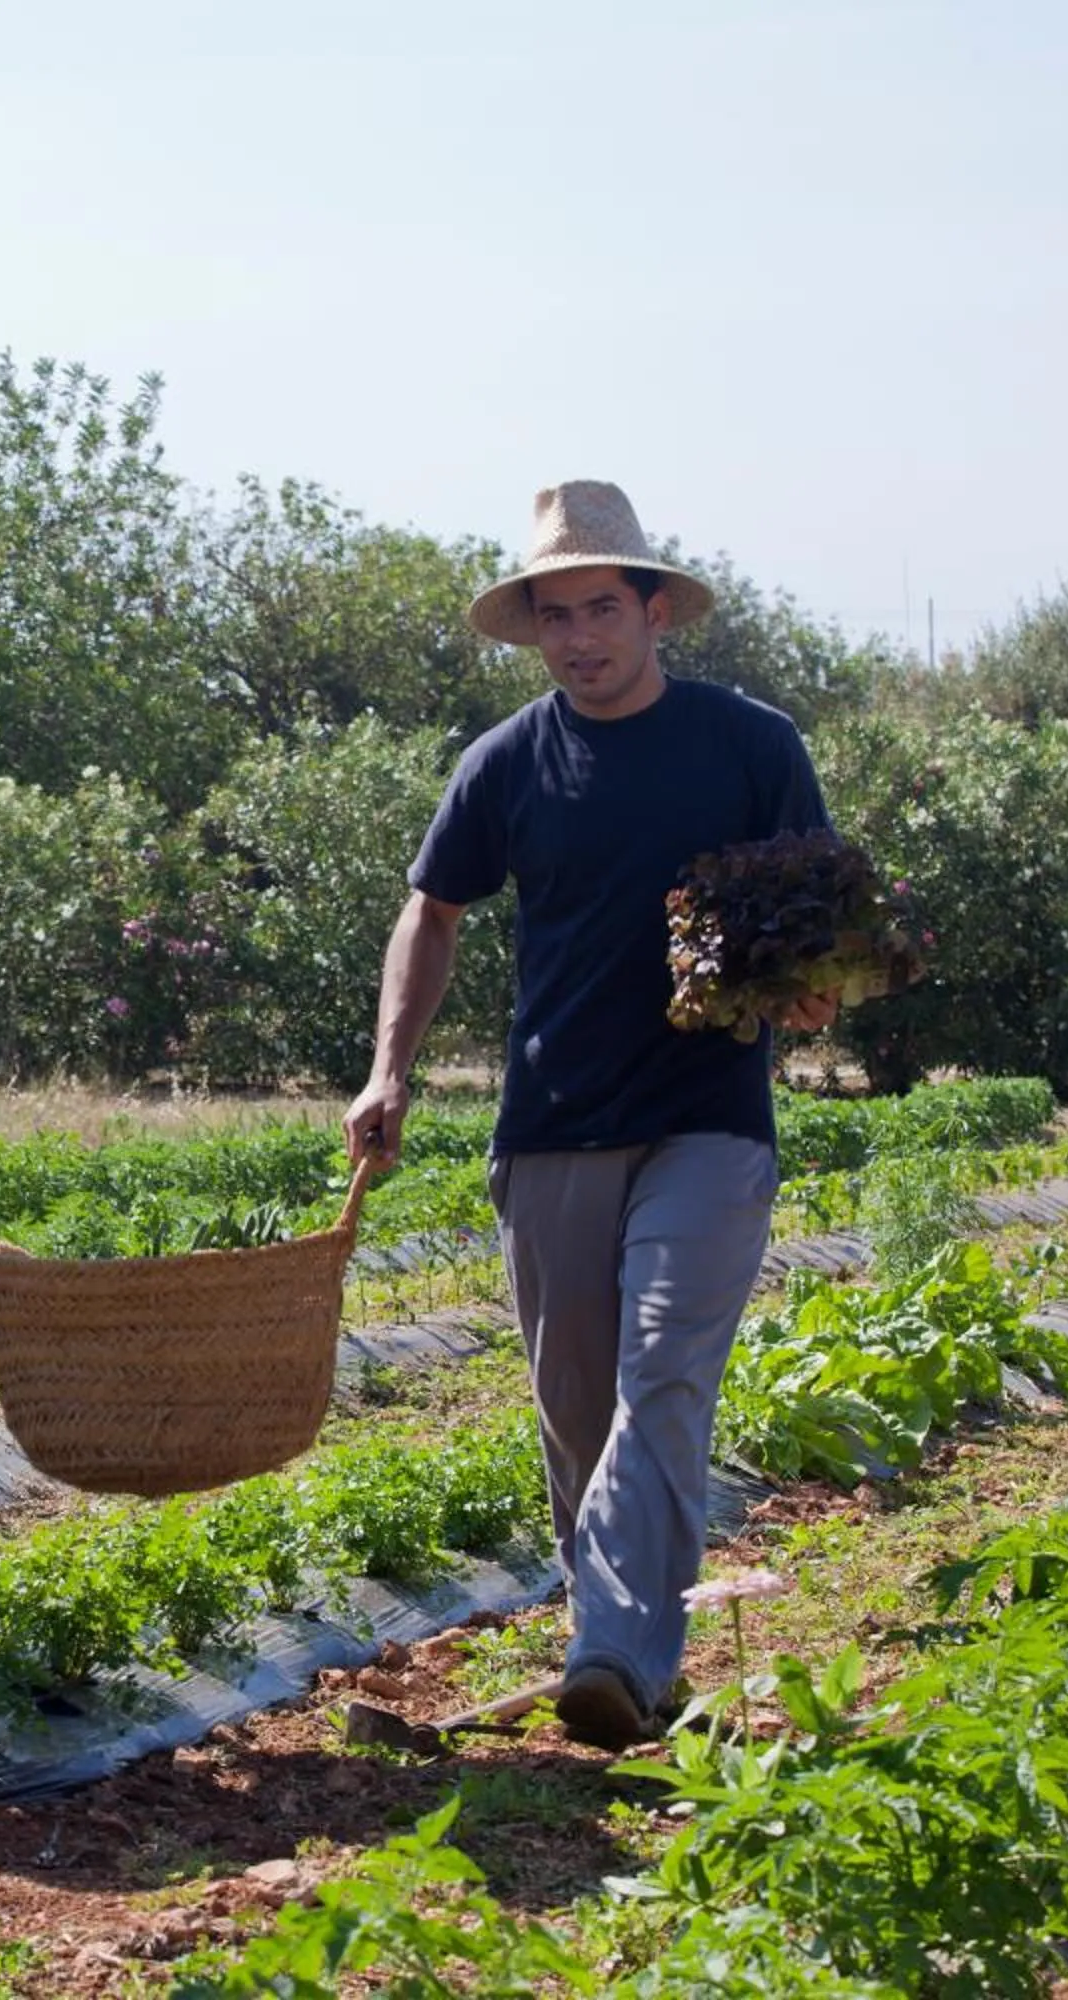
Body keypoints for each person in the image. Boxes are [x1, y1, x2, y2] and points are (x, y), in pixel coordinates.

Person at [342, 480, 836, 1752]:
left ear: (655, 608)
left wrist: (819, 980)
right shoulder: (507, 763)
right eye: (553, 615)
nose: (577, 636)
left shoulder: (748, 744)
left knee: (662, 1374)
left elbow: (818, 907)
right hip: (553, 1120)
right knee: (574, 1406)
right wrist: (389, 1068)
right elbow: (430, 911)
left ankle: (614, 1650)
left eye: (601, 607)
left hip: (709, 1116)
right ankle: (630, 1648)